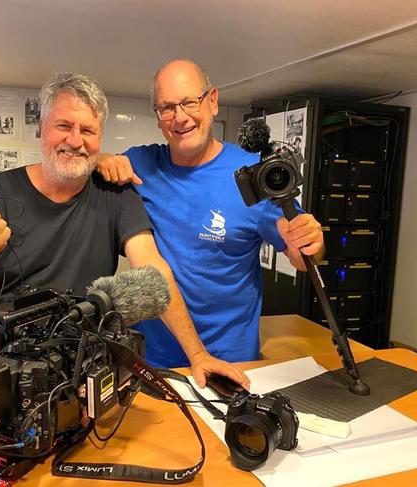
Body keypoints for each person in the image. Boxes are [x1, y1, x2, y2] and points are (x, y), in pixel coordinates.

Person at [0, 72, 248, 388]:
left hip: (81, 382)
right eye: (64, 126)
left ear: (100, 138)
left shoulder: (116, 196)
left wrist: (198, 355)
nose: (75, 140)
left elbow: (154, 271)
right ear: (41, 128)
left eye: (87, 130)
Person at [97, 59, 324, 368]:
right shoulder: (140, 164)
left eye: (190, 102)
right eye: (167, 107)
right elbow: (91, 169)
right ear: (158, 117)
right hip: (153, 360)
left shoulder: (251, 175)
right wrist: (103, 159)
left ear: (213, 101)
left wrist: (310, 242)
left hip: (230, 363)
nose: (180, 118)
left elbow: (302, 257)